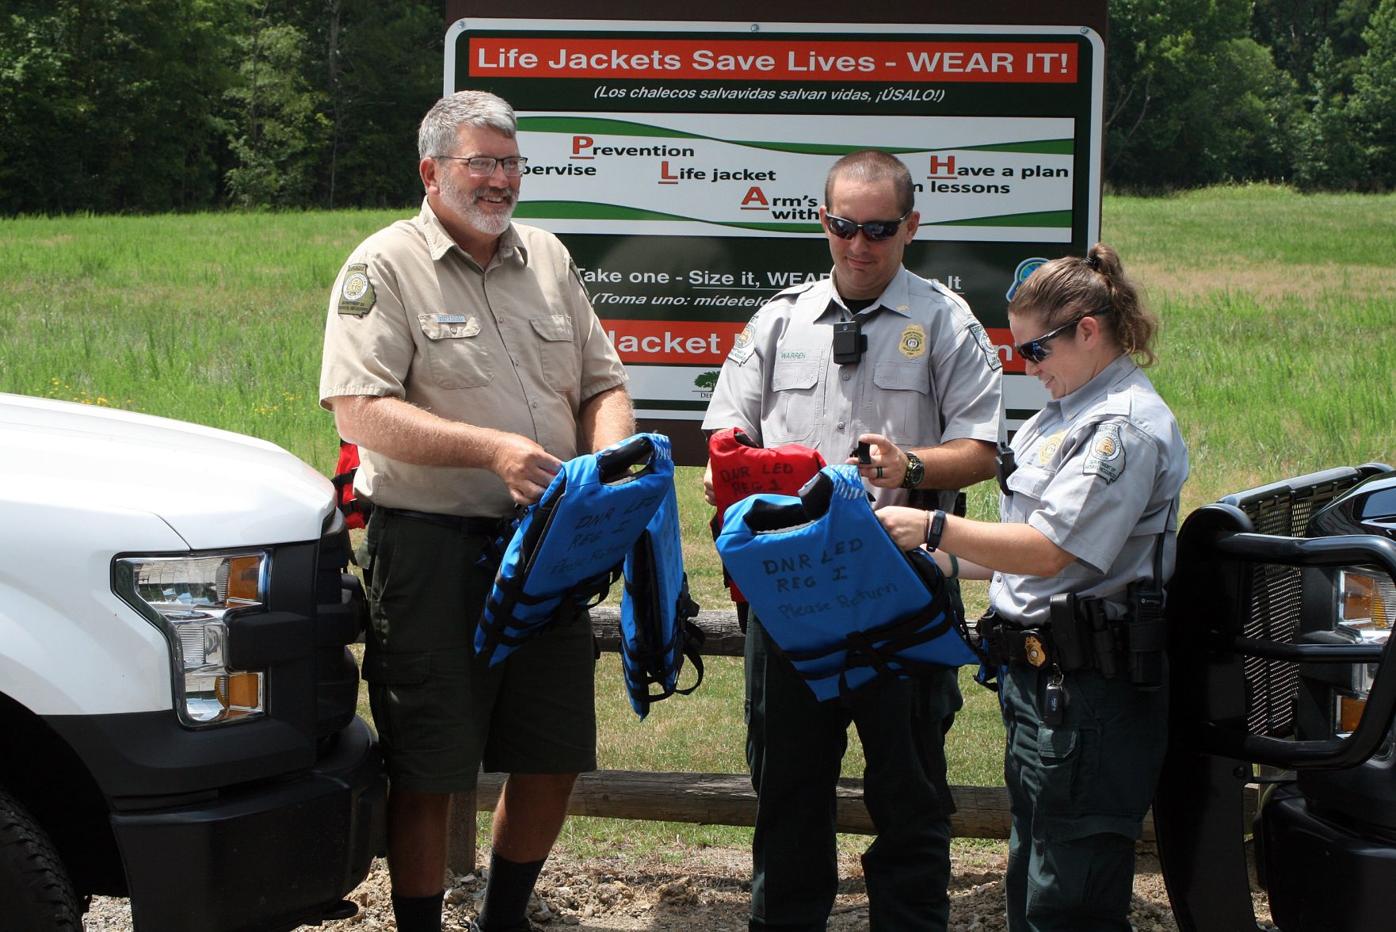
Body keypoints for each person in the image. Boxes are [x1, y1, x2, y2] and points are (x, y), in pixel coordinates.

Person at [318, 90, 633, 932]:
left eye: (510, 163)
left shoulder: (549, 258)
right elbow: (359, 409)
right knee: (429, 765)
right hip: (430, 548)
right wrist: (489, 450)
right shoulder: (382, 267)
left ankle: (504, 918)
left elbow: (604, 383)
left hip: (547, 548)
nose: (499, 182)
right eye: (480, 164)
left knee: (552, 754)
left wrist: (603, 466)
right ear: (433, 172)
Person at [702, 149, 1003, 931]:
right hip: (792, 588)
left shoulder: (944, 320)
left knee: (909, 791)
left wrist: (915, 462)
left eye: (878, 229)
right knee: (789, 788)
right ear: (822, 221)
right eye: (844, 226)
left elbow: (983, 448)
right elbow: (726, 433)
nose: (859, 245)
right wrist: (726, 476)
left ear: (911, 227)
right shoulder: (778, 320)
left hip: (899, 583)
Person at [876, 243, 1188, 932]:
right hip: (1044, 690)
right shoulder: (1062, 414)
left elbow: (1050, 553)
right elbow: (1020, 552)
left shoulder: (1120, 427)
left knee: (1067, 900)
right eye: (1018, 351)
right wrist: (931, 561)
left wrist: (933, 530)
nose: (1027, 366)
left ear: (1087, 329)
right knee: (1034, 878)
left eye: (1037, 351)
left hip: (1090, 694)